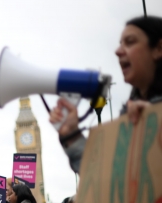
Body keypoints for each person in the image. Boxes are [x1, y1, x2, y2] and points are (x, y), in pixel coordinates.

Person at [50, 16, 162, 174]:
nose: (118, 51)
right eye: (120, 44)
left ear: (158, 49)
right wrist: (72, 136)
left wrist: (157, 122)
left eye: (130, 42)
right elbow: (107, 179)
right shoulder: (129, 112)